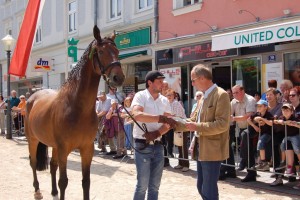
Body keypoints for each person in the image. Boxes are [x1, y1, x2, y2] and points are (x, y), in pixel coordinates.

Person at [185, 64, 231, 200]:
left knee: (208, 188)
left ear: (203, 78)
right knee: (201, 186)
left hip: (213, 149)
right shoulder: (203, 97)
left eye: (193, 80)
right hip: (201, 147)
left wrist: (197, 126)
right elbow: (193, 120)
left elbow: (222, 124)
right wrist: (173, 121)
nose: (192, 84)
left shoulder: (221, 95)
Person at [131, 70, 176, 200]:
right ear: (150, 82)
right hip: (142, 144)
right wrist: (160, 118)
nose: (163, 84)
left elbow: (168, 123)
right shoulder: (140, 96)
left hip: (158, 145)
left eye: (163, 81)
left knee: (155, 186)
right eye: (159, 81)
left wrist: (156, 133)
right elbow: (137, 115)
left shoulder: (164, 100)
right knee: (142, 186)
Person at [231, 85, 256, 172]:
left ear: (242, 91)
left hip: (253, 127)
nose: (234, 95)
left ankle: (243, 161)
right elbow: (229, 114)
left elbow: (248, 116)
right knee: (246, 147)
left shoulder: (250, 100)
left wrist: (234, 118)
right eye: (233, 93)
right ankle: (250, 172)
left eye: (236, 92)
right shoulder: (234, 101)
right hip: (242, 128)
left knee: (244, 136)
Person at [165, 88, 189, 172]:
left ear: (174, 95)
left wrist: (170, 117)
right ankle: (180, 163)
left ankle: (186, 164)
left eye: (170, 95)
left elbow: (178, 115)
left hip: (181, 125)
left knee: (183, 146)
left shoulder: (176, 103)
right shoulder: (167, 104)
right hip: (175, 126)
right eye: (167, 95)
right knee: (179, 145)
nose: (169, 97)